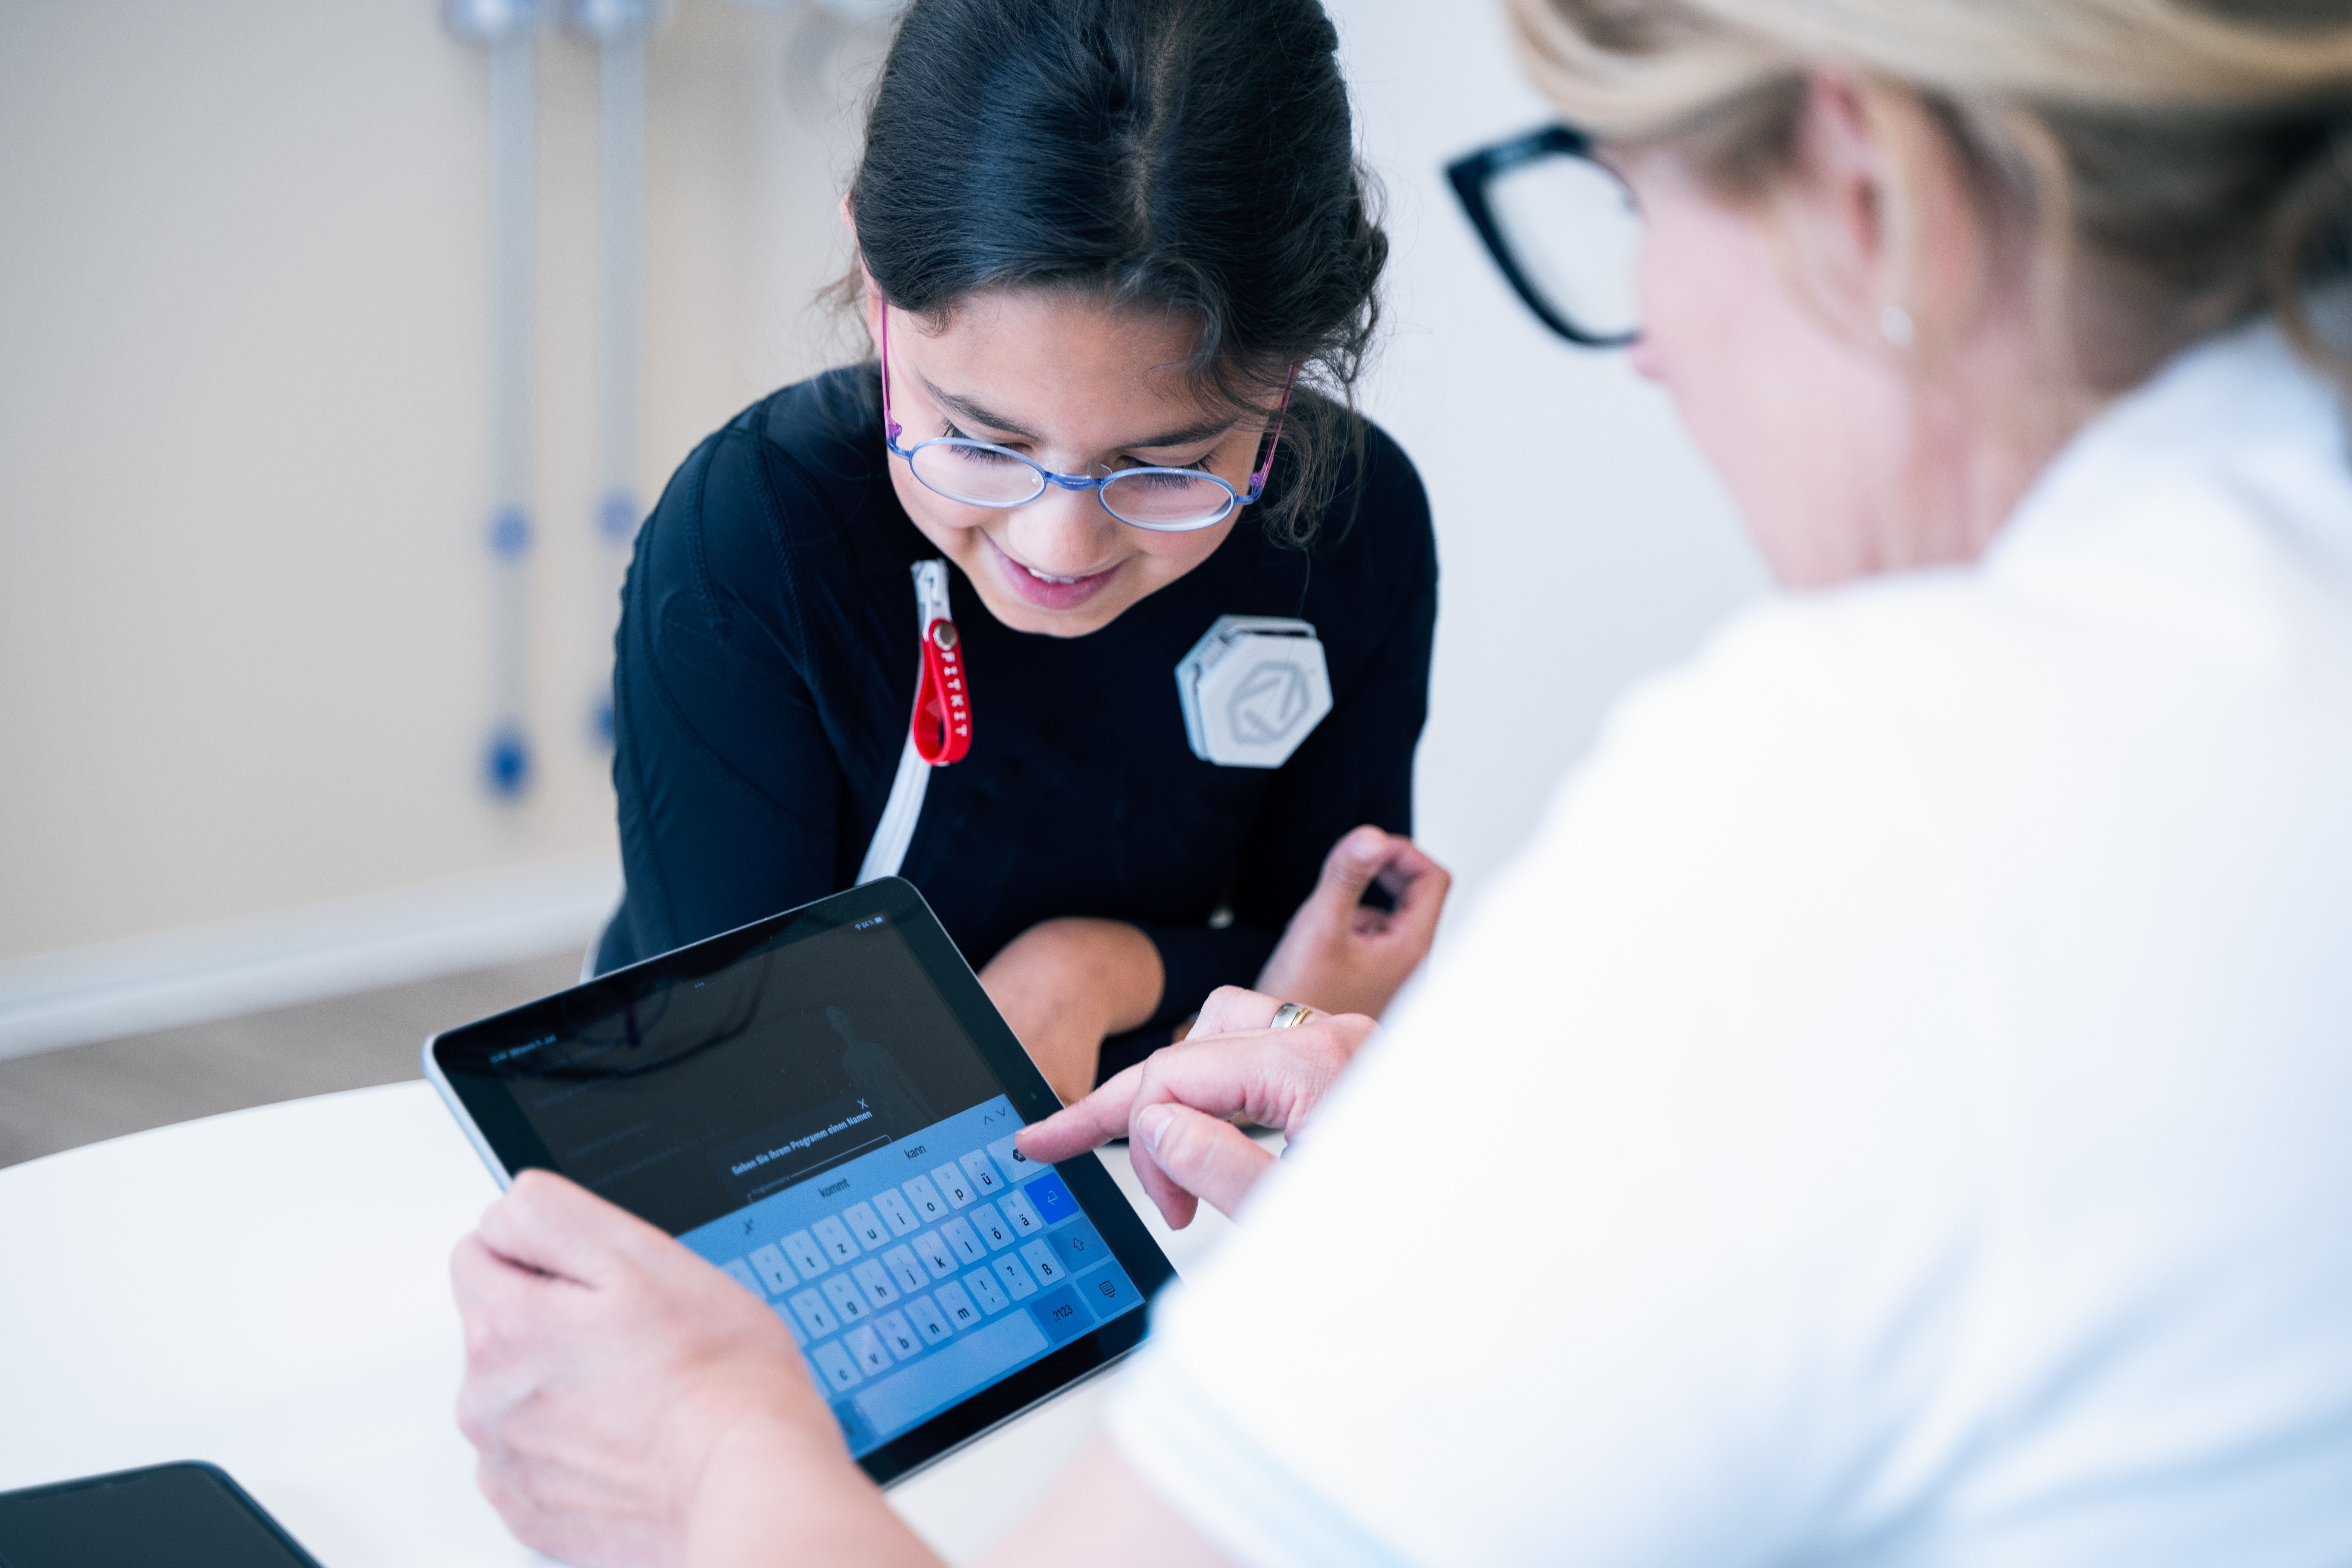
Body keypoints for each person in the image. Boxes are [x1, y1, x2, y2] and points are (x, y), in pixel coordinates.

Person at [451, 0, 2352, 1564]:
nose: (1652, 352)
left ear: (1863, 189)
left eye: (1624, 213)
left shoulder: (1876, 788)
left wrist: (703, 1463)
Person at [595, 0, 1448, 1102]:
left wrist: (1085, 975)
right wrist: (1195, 994)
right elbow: (741, 1063)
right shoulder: (754, 539)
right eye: (980, 442)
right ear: (878, 287)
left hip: (1163, 1144)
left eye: (1165, 466)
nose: (1060, 541)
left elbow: (1332, 981)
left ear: (1283, 378)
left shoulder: (1349, 522)